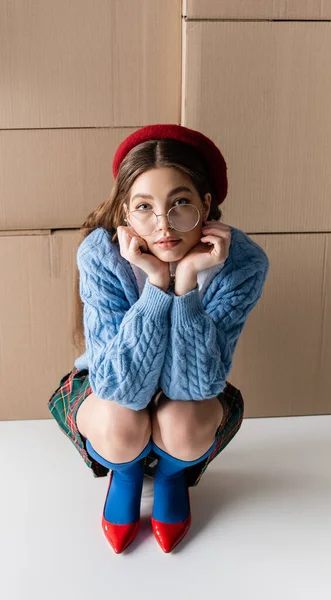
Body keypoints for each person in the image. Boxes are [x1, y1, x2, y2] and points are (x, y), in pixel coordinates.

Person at [48, 123, 269, 555]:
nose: (163, 225)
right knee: (121, 423)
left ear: (206, 205)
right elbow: (119, 388)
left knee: (181, 423)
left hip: (192, 395)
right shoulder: (103, 255)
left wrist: (184, 287)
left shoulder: (241, 264)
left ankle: (170, 476)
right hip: (107, 387)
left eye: (180, 203)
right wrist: (155, 287)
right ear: (125, 213)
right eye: (144, 207)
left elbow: (198, 385)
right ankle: (126, 475)